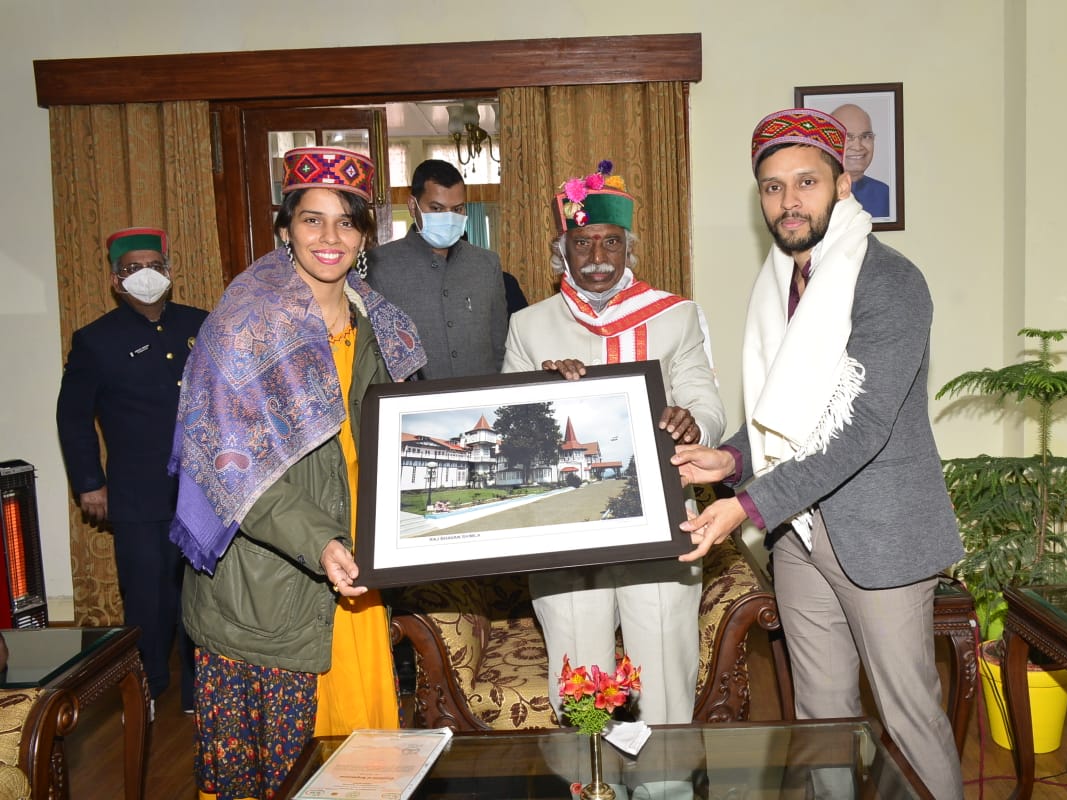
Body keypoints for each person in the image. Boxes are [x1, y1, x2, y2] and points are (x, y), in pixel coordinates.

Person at [671, 109, 964, 798]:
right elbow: (786, 412)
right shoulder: (778, 286)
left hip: (881, 537)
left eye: (806, 181)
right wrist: (730, 460)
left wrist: (743, 503)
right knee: (821, 720)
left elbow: (859, 427)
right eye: (772, 188)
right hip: (799, 535)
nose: (789, 200)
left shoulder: (890, 283)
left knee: (908, 718)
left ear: (843, 181)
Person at [169, 147, 426, 799]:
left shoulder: (379, 322)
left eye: (347, 222)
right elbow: (232, 467)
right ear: (284, 229)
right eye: (312, 221)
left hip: (356, 565)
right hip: (270, 581)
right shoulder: (244, 326)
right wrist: (320, 541)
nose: (329, 238)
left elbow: (406, 434)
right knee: (273, 773)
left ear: (367, 234)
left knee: (361, 764)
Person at [503, 160, 726, 725]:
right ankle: (589, 780)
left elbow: (708, 403)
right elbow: (510, 436)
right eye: (582, 244)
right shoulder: (530, 327)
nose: (597, 257)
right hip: (565, 527)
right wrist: (541, 393)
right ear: (563, 251)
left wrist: (692, 423)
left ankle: (666, 785)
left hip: (662, 518)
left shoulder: (676, 317)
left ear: (628, 247)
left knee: (663, 676)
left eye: (610, 242)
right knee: (579, 676)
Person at [56, 226, 206, 719]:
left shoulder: (201, 325)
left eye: (154, 265)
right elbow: (73, 416)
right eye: (133, 268)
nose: (146, 275)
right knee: (148, 594)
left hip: (203, 491)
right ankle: (148, 688)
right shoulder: (96, 340)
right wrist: (88, 481)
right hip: (138, 492)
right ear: (117, 280)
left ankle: (198, 692)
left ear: (168, 270)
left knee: (199, 596)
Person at [366, 158, 506, 379]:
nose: (449, 218)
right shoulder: (380, 266)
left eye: (457, 209)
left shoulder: (486, 264)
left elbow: (499, 345)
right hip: (415, 407)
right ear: (413, 206)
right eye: (436, 208)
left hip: (481, 402)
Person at [831, 103, 890, 218]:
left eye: (866, 136)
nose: (858, 147)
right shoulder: (814, 194)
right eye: (848, 137)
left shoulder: (884, 194)